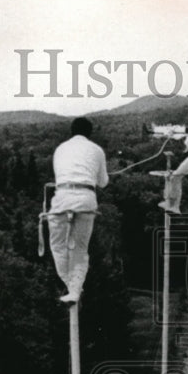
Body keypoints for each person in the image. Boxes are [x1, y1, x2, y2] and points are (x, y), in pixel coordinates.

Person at [45, 117, 109, 304]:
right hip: (85, 199)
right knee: (80, 249)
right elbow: (103, 182)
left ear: (71, 131)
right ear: (90, 133)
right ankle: (75, 289)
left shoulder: (60, 149)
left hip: (63, 197)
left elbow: (59, 175)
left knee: (57, 245)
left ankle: (71, 285)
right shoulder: (97, 150)